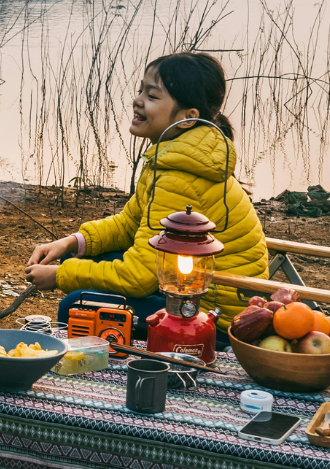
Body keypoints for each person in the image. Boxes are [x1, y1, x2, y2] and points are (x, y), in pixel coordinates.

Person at [25, 52, 267, 338]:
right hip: (193, 290)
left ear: (188, 118)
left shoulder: (181, 176)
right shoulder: (176, 155)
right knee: (79, 265)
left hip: (215, 318)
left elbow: (139, 277)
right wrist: (71, 244)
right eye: (140, 91)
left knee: (75, 305)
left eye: (151, 96)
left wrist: (58, 277)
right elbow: (131, 224)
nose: (137, 100)